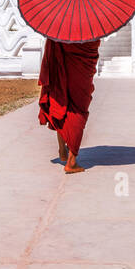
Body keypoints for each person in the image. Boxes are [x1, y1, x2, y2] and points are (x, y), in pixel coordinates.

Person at [37, 37, 101, 173]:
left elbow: (53, 42)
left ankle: (62, 150)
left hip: (62, 56)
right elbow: (94, 43)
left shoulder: (61, 28)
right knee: (78, 110)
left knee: (61, 102)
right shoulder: (91, 27)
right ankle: (71, 162)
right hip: (82, 72)